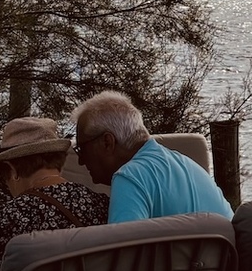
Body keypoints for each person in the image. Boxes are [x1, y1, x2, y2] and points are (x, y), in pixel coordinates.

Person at [71, 90, 230, 222]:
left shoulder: (130, 177)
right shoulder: (189, 166)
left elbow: (124, 255)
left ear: (107, 142)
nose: (80, 160)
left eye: (81, 149)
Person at [0, 116, 109, 271]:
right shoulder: (101, 204)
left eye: (3, 177)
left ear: (12, 170)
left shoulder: (5, 218)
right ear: (59, 160)